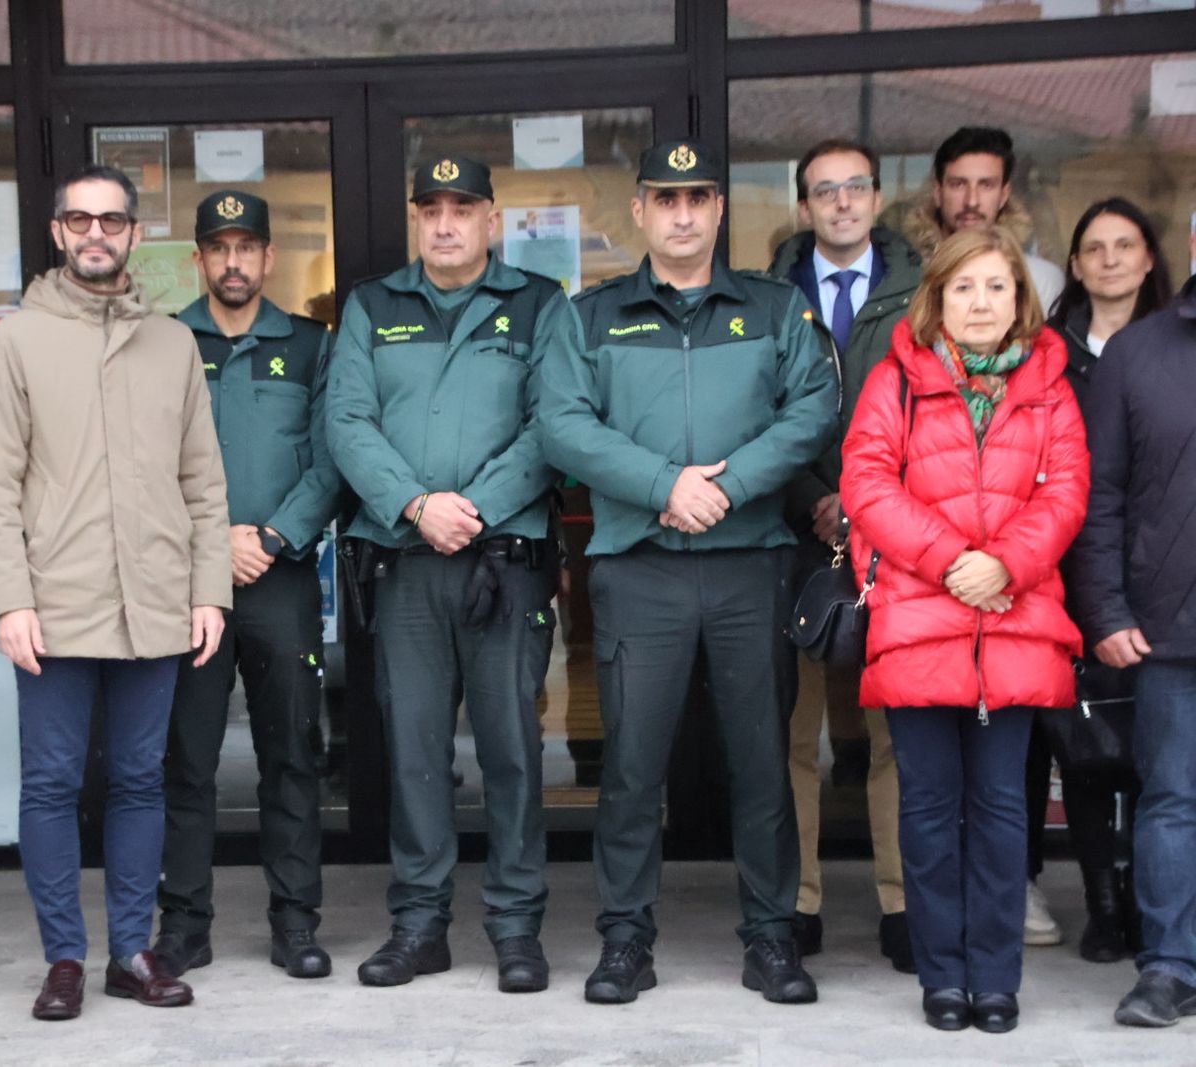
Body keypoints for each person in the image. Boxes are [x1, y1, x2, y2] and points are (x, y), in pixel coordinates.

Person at [540, 140, 837, 1006]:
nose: (681, 213)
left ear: (717, 210)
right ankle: (626, 938)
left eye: (697, 197)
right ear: (638, 211)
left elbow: (813, 410)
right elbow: (562, 423)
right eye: (664, 199)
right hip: (641, 569)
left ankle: (772, 936)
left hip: (751, 568)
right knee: (632, 764)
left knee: (761, 760)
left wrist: (731, 486)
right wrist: (663, 485)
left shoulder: (776, 310)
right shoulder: (589, 316)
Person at [0, 164, 231, 1021]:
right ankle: (64, 958)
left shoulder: (173, 343)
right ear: (56, 232)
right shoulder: (17, 339)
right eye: (79, 220)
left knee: (140, 780)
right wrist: (11, 600)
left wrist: (209, 591)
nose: (95, 234)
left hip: (155, 598)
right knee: (49, 783)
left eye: (111, 221)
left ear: (132, 234)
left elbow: (204, 480)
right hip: (57, 602)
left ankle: (131, 950)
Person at [327, 155, 575, 994]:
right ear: (415, 221)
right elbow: (347, 421)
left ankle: (514, 926)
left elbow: (556, 423)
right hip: (405, 561)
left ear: (491, 221)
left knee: (511, 749)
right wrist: (414, 505)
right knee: (415, 752)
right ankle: (420, 923)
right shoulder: (372, 304)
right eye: (429, 208)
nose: (444, 224)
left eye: (462, 208)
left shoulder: (539, 305)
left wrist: (472, 506)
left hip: (503, 564)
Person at [840, 225, 1089, 1033]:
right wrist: (954, 560)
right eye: (963, 287)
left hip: (1011, 625)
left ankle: (997, 977)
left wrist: (1004, 566)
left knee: (1001, 808)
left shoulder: (1051, 384)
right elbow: (867, 484)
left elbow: (1068, 494)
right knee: (927, 808)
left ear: (1020, 298)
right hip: (920, 620)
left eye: (996, 287)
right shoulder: (895, 380)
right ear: (936, 296)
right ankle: (942, 974)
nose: (980, 302)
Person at [152, 190, 341, 980]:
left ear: (269, 258)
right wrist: (211, 541)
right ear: (197, 260)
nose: (233, 262)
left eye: (246, 247)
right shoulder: (158, 346)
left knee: (291, 755)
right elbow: (140, 463)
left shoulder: (309, 346)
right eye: (217, 248)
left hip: (280, 579)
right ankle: (184, 927)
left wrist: (268, 537)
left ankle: (295, 923)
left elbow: (335, 457)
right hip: (189, 586)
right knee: (186, 759)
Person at [769, 137, 920, 974]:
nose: (841, 203)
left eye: (855, 187)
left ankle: (901, 902)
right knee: (795, 733)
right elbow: (754, 414)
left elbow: (934, 409)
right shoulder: (766, 296)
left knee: (897, 729)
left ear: (876, 196)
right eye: (823, 191)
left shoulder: (920, 291)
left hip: (897, 534)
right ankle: (801, 902)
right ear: (804, 206)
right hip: (795, 536)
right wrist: (814, 503)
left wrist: (866, 503)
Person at [1039, 198, 1173, 963]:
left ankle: (1157, 905)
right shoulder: (1052, 353)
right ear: (1077, 264)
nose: (1112, 258)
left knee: (1163, 753)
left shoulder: (1176, 345)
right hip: (1073, 571)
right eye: (1095, 247)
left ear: (1151, 258)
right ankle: (1102, 902)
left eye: (1127, 245)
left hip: (1162, 574)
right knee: (1086, 744)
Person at [1069, 244, 1196, 1029]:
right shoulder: (1138, 351)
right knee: (1175, 800)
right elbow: (1099, 493)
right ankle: (1170, 967)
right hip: (1167, 627)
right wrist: (1106, 610)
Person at [898, 127, 1065, 316]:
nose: (971, 201)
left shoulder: (1039, 280)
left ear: (1004, 195)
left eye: (986, 185)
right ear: (938, 192)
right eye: (958, 184)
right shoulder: (902, 276)